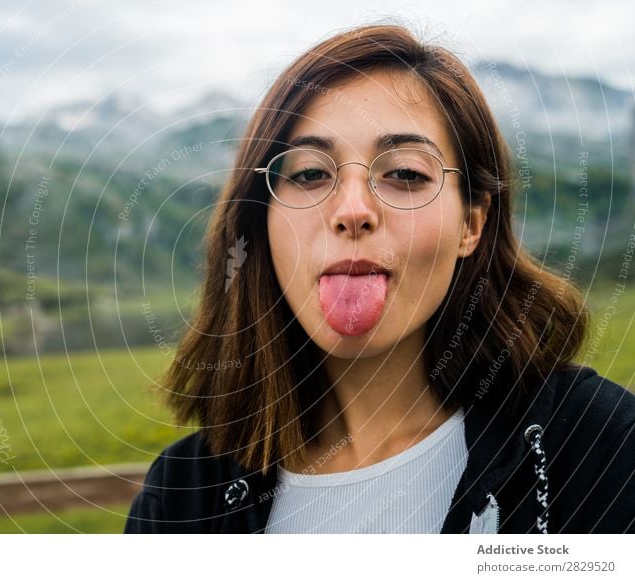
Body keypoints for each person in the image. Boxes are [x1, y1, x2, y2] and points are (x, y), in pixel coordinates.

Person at [124, 24, 635, 534]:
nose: (352, 211)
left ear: (471, 224)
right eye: (308, 174)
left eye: (406, 174)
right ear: (261, 222)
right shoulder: (182, 497)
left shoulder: (602, 448)